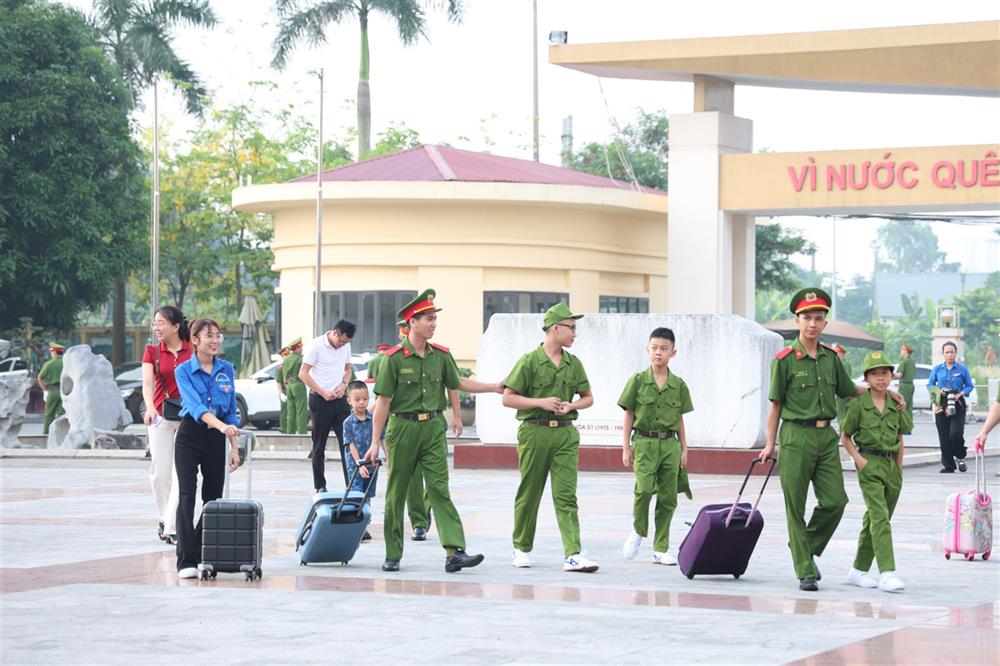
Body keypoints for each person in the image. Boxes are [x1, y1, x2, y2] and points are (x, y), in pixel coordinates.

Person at [758, 287, 904, 591]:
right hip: (795, 435)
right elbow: (775, 405)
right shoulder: (784, 361)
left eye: (819, 318)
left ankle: (803, 545)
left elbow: (851, 390)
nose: (813, 323)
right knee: (795, 506)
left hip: (826, 436)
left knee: (836, 501)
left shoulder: (829, 358)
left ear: (825, 323)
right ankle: (805, 570)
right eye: (807, 317)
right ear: (797, 320)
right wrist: (770, 444)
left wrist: (885, 391)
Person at [363, 288, 501, 573]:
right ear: (411, 322)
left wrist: (494, 387)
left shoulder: (441, 355)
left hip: (433, 428)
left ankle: (454, 551)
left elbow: (459, 384)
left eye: (434, 319)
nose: (433, 323)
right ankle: (393, 553)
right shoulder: (394, 359)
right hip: (402, 428)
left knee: (439, 489)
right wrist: (375, 442)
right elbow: (383, 403)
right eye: (428, 318)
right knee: (396, 492)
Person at [502, 302, 598, 573]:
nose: (575, 334)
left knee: (566, 495)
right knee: (530, 492)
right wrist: (540, 402)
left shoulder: (573, 363)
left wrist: (572, 406)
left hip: (566, 435)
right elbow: (508, 398)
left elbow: (588, 398)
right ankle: (521, 548)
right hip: (534, 431)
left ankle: (573, 554)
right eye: (571, 328)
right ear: (555, 329)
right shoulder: (529, 361)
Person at [172, 318, 240, 579]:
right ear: (195, 340)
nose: (215, 340)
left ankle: (200, 550)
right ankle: (185, 560)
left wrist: (234, 447)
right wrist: (221, 426)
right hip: (190, 435)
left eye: (218, 335)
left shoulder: (227, 369)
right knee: (187, 496)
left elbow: (231, 409)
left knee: (213, 499)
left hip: (217, 438)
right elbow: (196, 407)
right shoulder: (184, 371)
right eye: (208, 336)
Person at [619, 327, 693, 566]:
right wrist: (625, 447)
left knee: (668, 497)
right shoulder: (638, 381)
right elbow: (629, 414)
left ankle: (661, 548)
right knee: (643, 490)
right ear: (647, 350)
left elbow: (680, 418)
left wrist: (684, 448)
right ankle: (638, 530)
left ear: (673, 352)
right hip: (644, 442)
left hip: (669, 445)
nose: (658, 353)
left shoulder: (679, 385)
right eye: (654, 348)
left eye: (663, 348)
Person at [840, 351, 911, 593]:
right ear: (867, 379)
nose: (881, 378)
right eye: (874, 374)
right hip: (869, 464)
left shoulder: (896, 404)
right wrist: (859, 460)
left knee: (875, 519)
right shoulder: (859, 405)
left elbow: (901, 435)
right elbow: (845, 436)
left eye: (885, 373)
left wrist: (899, 467)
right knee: (880, 518)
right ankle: (887, 572)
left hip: (893, 467)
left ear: (891, 376)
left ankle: (858, 570)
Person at [141, 306, 192, 545]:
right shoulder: (152, 351)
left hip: (187, 419)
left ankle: (172, 527)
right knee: (160, 474)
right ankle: (165, 517)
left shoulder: (192, 350)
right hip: (160, 418)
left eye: (161, 323)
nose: (156, 328)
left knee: (181, 473)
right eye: (155, 323)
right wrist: (150, 407)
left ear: (175, 326)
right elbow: (148, 384)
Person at [300, 321, 355, 492]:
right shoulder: (316, 346)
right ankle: (320, 486)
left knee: (347, 443)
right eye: (342, 341)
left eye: (346, 343)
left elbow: (348, 369)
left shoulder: (346, 346)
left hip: (339, 399)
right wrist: (323, 392)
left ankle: (351, 484)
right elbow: (303, 373)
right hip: (320, 400)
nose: (343, 345)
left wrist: (344, 385)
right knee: (319, 445)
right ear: (335, 333)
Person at [342, 380, 384, 543]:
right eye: (357, 399)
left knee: (367, 495)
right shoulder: (348, 423)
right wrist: (359, 464)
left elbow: (382, 438)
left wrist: (387, 458)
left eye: (365, 399)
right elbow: (350, 445)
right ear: (349, 401)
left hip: (372, 465)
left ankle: (365, 523)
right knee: (356, 495)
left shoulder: (374, 419)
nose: (361, 402)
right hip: (355, 466)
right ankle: (357, 527)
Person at [928, 341, 974, 474]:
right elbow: (930, 384)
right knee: (943, 436)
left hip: (958, 403)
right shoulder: (937, 369)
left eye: (952, 352)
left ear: (956, 353)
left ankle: (960, 455)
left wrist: (961, 393)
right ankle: (949, 466)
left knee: (955, 433)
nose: (949, 355)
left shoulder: (962, 369)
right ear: (942, 353)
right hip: (941, 403)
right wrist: (939, 391)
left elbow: (969, 385)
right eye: (947, 352)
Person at [37, 342, 65, 435]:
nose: (51, 354)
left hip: (52, 391)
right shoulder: (66, 363)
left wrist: (44, 390)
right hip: (64, 391)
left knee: (49, 414)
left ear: (54, 352)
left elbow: (40, 378)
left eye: (51, 352)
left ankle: (46, 435)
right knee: (63, 414)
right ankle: (63, 434)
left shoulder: (49, 364)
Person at [283, 339, 307, 435]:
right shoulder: (301, 359)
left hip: (289, 385)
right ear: (296, 348)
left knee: (290, 411)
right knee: (301, 410)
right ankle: (302, 433)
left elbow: (284, 375)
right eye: (300, 347)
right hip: (298, 384)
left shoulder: (287, 359)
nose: (301, 349)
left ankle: (290, 433)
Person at [894, 344, 916, 434]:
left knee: (901, 405)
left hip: (904, 385)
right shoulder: (912, 361)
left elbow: (899, 375)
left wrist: (889, 374)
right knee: (909, 407)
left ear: (906, 351)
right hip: (911, 385)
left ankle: (903, 428)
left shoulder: (904, 361)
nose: (901, 351)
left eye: (902, 350)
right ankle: (908, 428)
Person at [833, 344, 854, 424]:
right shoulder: (847, 363)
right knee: (846, 412)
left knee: (841, 413)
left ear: (841, 353)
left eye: (837, 352)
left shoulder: (840, 363)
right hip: (849, 390)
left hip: (842, 391)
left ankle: (842, 431)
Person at [275, 345, 290, 433]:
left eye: (288, 355)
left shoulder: (291, 365)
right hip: (285, 391)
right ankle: (284, 428)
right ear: (282, 356)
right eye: (285, 355)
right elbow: (278, 382)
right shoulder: (280, 368)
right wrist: (281, 393)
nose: (287, 357)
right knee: (285, 411)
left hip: (291, 390)